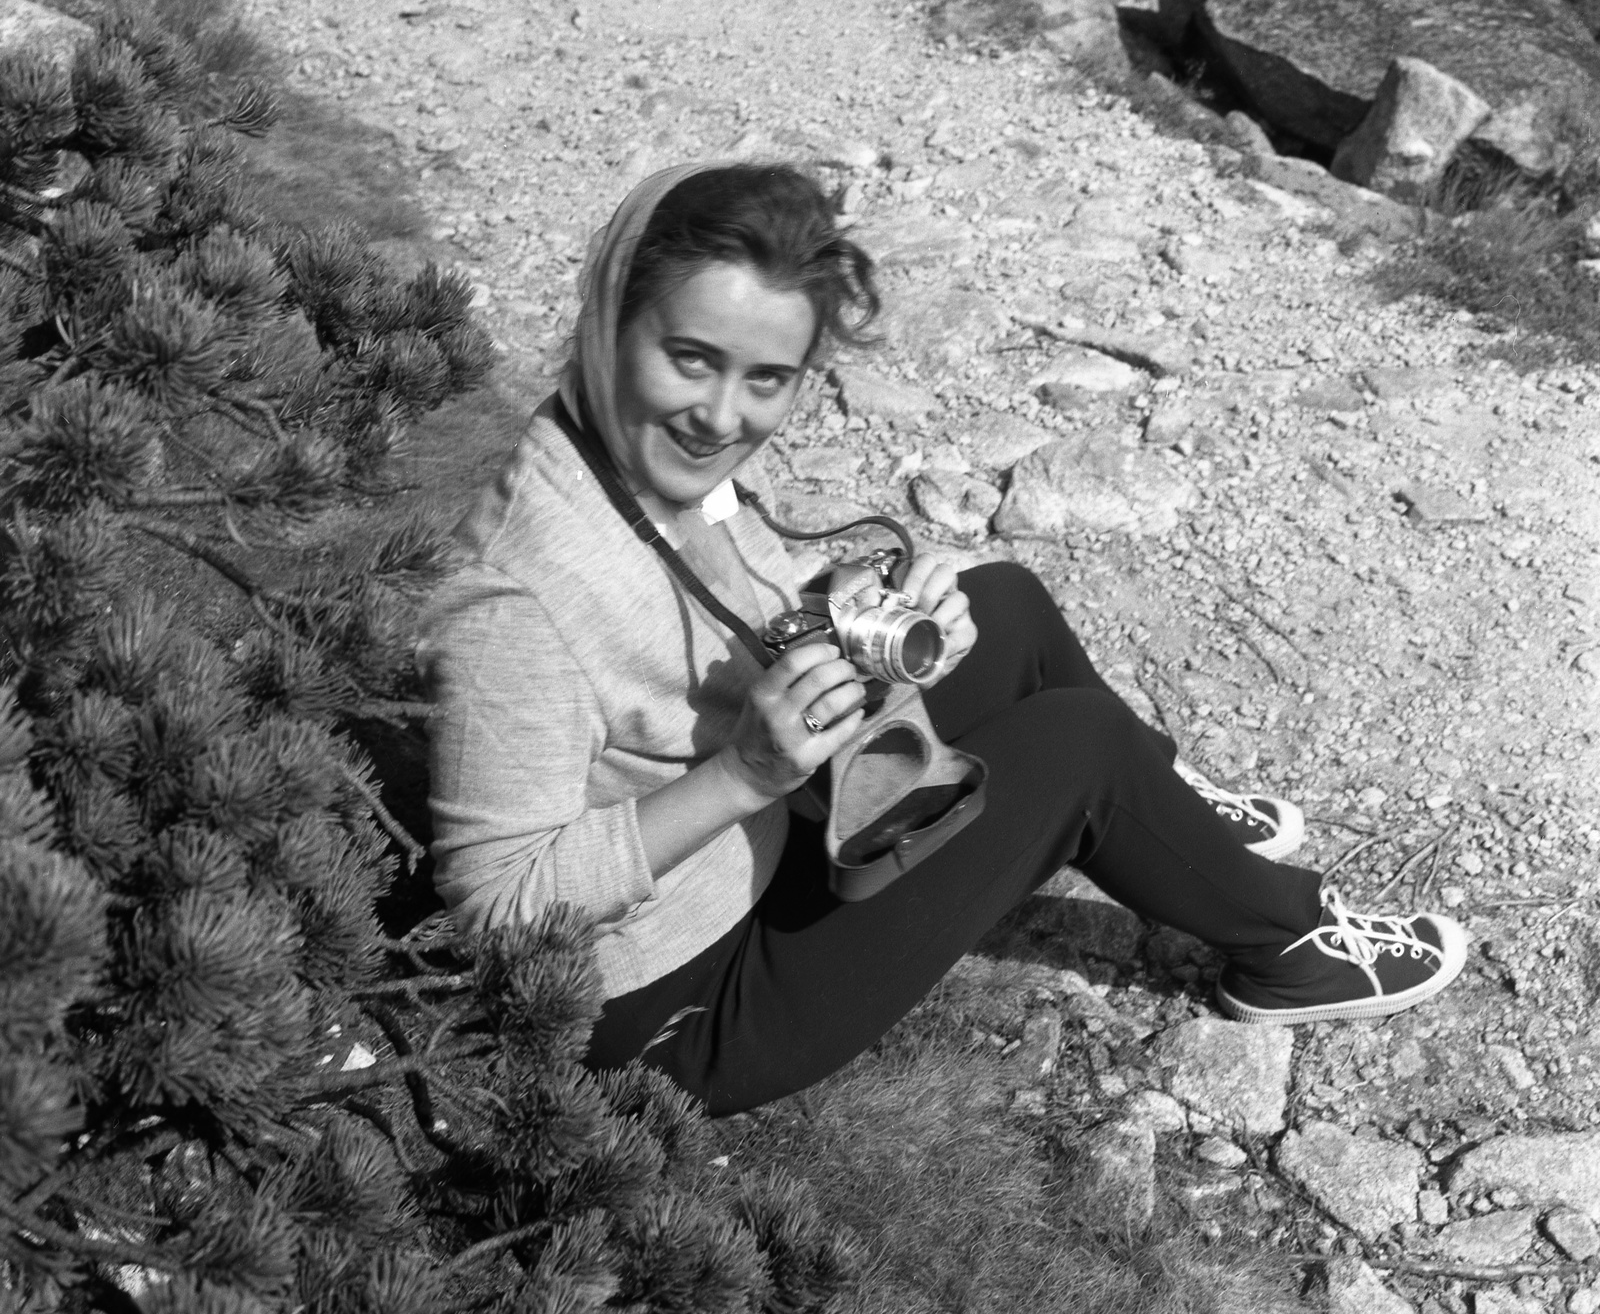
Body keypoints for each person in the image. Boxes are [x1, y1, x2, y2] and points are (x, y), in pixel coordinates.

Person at [418, 162, 1466, 1119]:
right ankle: (1286, 946)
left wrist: (873, 606)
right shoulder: (519, 589)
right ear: (609, 321)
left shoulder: (648, 461)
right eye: (689, 360)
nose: (721, 416)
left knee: (999, 600)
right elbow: (500, 908)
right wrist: (744, 773)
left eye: (766, 379)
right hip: (672, 1003)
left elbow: (739, 598)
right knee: (1078, 747)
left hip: (777, 832)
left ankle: (1175, 819)